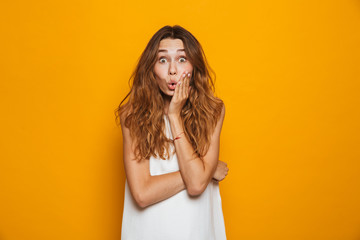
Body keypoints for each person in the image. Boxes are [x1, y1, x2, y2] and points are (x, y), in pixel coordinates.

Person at [115, 25, 229, 240]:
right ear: (151, 68)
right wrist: (207, 170)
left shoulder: (213, 111)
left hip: (197, 231)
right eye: (163, 60)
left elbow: (196, 186)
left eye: (182, 59)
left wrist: (174, 116)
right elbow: (142, 193)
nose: (173, 71)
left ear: (194, 66)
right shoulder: (132, 115)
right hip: (148, 232)